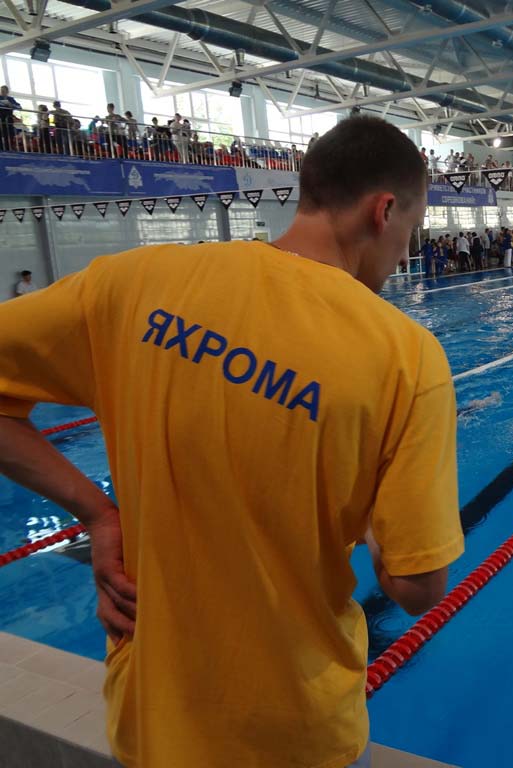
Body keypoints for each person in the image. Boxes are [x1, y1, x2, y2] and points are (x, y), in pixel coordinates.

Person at [0, 116, 463, 767]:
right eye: (411, 231)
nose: (403, 253)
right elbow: (418, 586)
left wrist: (99, 513)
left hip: (154, 722)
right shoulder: (407, 357)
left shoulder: (133, 283)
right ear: (383, 211)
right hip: (297, 734)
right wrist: (376, 529)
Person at [0, 85, 22, 150]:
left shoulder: (11, 99)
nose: (2, 92)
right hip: (1, 117)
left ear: (7, 92)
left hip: (8, 118)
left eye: (3, 91)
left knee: (9, 133)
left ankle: (9, 147)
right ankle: (1, 148)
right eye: (1, 91)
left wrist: (11, 105)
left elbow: (19, 107)